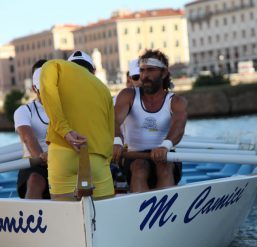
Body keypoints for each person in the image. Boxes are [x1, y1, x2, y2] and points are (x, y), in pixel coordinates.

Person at [39, 50, 115, 201]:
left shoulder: (55, 66)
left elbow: (47, 89)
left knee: (64, 215)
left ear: (69, 64)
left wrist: (65, 130)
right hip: (96, 158)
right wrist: (106, 161)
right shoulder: (104, 89)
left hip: (62, 154)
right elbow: (110, 131)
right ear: (93, 71)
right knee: (104, 216)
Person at [113, 49, 187, 193]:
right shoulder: (128, 95)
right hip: (134, 157)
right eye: (142, 71)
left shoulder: (177, 101)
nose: (145, 76)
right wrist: (117, 141)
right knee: (140, 167)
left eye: (150, 70)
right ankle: (143, 211)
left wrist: (165, 145)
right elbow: (114, 120)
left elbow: (179, 126)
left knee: (163, 167)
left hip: (166, 153)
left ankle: (165, 210)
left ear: (164, 73)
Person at [14, 59, 50, 199]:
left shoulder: (67, 108)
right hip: (36, 164)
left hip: (62, 161)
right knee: (35, 180)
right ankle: (32, 218)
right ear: (35, 88)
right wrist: (43, 158)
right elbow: (28, 138)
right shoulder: (24, 111)